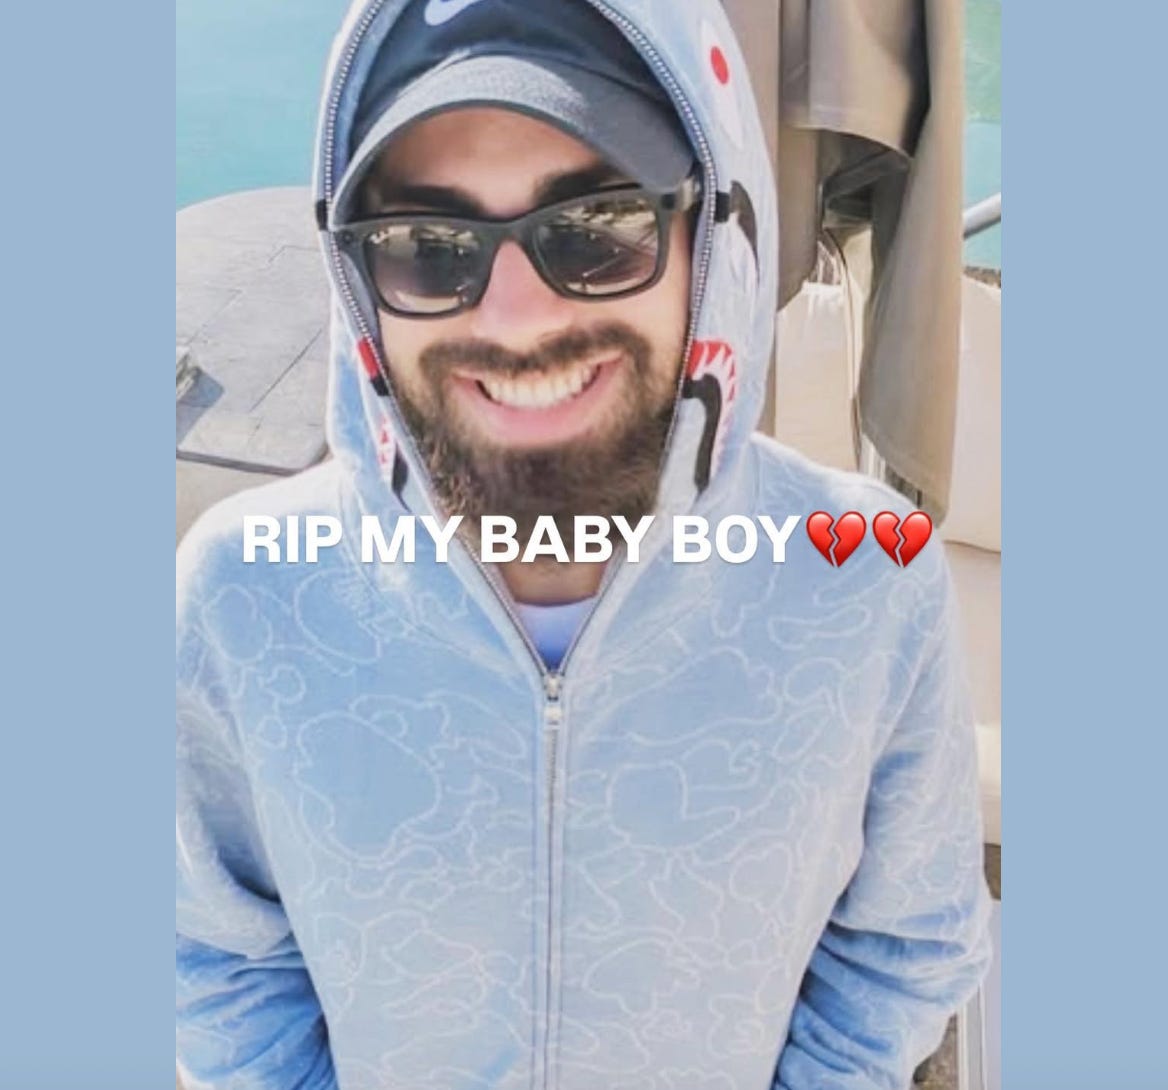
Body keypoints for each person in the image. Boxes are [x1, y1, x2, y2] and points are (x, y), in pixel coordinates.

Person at [176, 1, 992, 1087]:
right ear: (357, 283)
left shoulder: (871, 577)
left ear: (716, 232)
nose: (516, 319)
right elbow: (217, 952)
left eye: (600, 227)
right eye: (427, 246)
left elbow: (907, 942)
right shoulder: (239, 596)